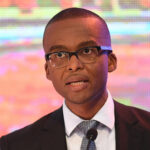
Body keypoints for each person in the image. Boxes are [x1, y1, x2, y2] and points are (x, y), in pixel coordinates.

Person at [0, 7, 150, 150]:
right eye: (59, 55)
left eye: (86, 51)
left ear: (111, 61)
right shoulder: (15, 145)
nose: (74, 65)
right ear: (47, 70)